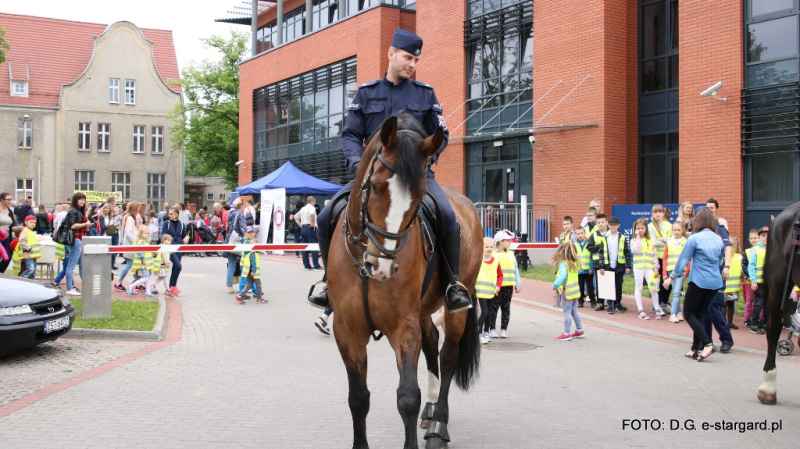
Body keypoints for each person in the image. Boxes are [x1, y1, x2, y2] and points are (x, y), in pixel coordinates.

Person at [307, 29, 472, 314]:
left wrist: (425, 161)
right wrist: (358, 165)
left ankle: (452, 285)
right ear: (391, 54)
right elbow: (349, 135)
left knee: (447, 217)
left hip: (414, 177)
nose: (412, 64)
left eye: (416, 60)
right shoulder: (366, 93)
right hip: (372, 175)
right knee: (325, 217)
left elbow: (440, 135)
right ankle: (327, 282)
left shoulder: (426, 94)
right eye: (408, 57)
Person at [663, 208, 725, 362]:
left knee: (689, 314)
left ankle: (708, 343)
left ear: (697, 221)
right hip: (715, 282)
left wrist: (671, 277)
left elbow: (683, 260)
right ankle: (695, 348)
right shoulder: (718, 239)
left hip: (699, 281)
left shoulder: (694, 238)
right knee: (700, 314)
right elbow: (721, 262)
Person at [592, 216, 630, 314]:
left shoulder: (622, 237)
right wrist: (601, 266)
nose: (613, 227)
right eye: (611, 225)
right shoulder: (605, 238)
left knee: (618, 286)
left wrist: (628, 266)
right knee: (609, 286)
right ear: (608, 225)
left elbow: (626, 252)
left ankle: (617, 303)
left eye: (615, 225)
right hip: (608, 265)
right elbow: (600, 253)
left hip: (619, 266)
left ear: (618, 226)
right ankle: (609, 305)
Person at [488, 230, 521, 339]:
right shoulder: (493, 254)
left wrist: (518, 284)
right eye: (508, 240)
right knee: (494, 307)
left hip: (508, 286)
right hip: (496, 287)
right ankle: (492, 329)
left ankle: (503, 329)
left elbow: (515, 270)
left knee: (506, 308)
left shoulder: (511, 253)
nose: (510, 242)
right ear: (501, 242)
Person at [552, 241, 585, 341]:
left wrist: (555, 285)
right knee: (574, 310)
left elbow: (562, 276)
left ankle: (566, 333)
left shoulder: (563, 264)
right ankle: (579, 329)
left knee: (566, 312)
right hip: (575, 291)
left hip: (567, 291)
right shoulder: (574, 262)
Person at [631, 218, 662, 320]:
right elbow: (636, 250)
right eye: (638, 228)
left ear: (646, 229)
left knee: (652, 287)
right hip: (638, 267)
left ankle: (657, 308)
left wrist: (656, 268)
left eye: (642, 228)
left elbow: (654, 255)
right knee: (639, 287)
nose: (640, 230)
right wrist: (638, 238)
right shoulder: (634, 240)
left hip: (649, 268)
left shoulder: (651, 240)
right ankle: (640, 310)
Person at [63, 193, 92, 296]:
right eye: (81, 199)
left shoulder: (77, 211)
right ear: (76, 200)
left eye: (84, 200)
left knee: (81, 265)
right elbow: (72, 225)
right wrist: (86, 224)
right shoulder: (73, 211)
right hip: (76, 239)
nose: (83, 201)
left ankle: (86, 286)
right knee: (71, 265)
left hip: (79, 239)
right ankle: (69, 288)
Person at [476, 237, 503, 344]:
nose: (489, 249)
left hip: (492, 292)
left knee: (490, 313)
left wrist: (498, 286)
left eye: (491, 247)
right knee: (484, 312)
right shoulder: (479, 261)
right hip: (481, 291)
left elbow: (500, 275)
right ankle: (478, 333)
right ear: (482, 247)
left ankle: (486, 332)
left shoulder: (496, 261)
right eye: (486, 247)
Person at [663, 220, 689, 323]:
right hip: (671, 270)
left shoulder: (685, 242)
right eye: (675, 230)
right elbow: (665, 257)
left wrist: (686, 270)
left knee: (677, 292)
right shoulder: (669, 241)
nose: (676, 232)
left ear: (682, 230)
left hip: (681, 271)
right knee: (676, 292)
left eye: (678, 230)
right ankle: (676, 312)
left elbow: (688, 257)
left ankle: (675, 313)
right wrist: (665, 273)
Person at [649, 204, 673, 312]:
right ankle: (657, 304)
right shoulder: (650, 226)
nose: (658, 214)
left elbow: (674, 239)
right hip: (656, 257)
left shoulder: (669, 225)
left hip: (668, 257)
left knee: (668, 281)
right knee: (657, 281)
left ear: (663, 213)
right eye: (655, 212)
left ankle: (664, 302)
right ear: (652, 214)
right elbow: (654, 242)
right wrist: (666, 241)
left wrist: (663, 239)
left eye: (660, 212)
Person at [113, 202, 141, 292]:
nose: (138, 210)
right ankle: (120, 282)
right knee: (130, 263)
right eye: (138, 209)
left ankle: (136, 282)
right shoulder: (130, 218)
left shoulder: (126, 217)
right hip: (131, 244)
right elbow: (129, 232)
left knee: (132, 263)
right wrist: (136, 241)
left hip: (128, 244)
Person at [162, 206, 189, 296]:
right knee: (178, 266)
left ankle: (171, 287)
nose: (169, 215)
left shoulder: (181, 224)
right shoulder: (166, 223)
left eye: (171, 214)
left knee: (175, 267)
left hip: (179, 247)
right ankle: (173, 286)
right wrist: (168, 245)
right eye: (169, 213)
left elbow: (185, 234)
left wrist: (186, 238)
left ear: (176, 214)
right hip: (170, 248)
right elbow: (163, 235)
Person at [236, 226, 266, 305]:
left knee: (249, 283)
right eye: (249, 232)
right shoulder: (248, 244)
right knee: (255, 283)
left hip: (247, 268)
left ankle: (241, 295)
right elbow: (253, 261)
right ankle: (258, 297)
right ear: (245, 233)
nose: (251, 234)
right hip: (250, 268)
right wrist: (253, 270)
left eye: (252, 232)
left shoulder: (250, 242)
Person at [586, 213, 610, 310]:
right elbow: (589, 247)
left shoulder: (610, 234)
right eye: (598, 222)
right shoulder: (594, 235)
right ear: (596, 224)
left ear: (607, 223)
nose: (601, 224)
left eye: (602, 222)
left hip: (609, 262)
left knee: (609, 282)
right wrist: (600, 246)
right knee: (599, 283)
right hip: (597, 263)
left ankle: (610, 302)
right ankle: (600, 302)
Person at [748, 226, 769, 334]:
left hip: (768, 283)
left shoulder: (772, 248)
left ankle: (764, 323)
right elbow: (751, 266)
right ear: (759, 237)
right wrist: (753, 281)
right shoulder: (756, 249)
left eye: (767, 236)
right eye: (763, 236)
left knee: (767, 304)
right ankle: (754, 324)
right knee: (758, 304)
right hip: (759, 283)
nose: (765, 238)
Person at [223, 198, 247, 294]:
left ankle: (229, 286)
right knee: (246, 263)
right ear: (241, 205)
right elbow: (243, 229)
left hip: (230, 241)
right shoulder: (240, 215)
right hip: (238, 242)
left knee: (231, 265)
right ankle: (245, 285)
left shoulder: (230, 214)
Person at [126, 225, 156, 298]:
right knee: (146, 278)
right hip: (143, 263)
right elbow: (139, 251)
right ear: (141, 234)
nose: (147, 234)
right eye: (145, 233)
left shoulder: (146, 242)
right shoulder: (141, 242)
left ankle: (148, 292)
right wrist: (143, 258)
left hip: (147, 263)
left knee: (147, 277)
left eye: (148, 233)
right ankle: (130, 286)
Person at [573, 227, 596, 308]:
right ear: (575, 235)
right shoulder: (575, 245)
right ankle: (580, 300)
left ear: (585, 233)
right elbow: (573, 257)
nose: (580, 235)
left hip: (588, 270)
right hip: (579, 270)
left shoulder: (589, 244)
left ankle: (593, 300)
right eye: (578, 234)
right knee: (580, 286)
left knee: (590, 286)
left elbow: (592, 257)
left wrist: (591, 268)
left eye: (581, 233)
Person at [723, 237, 743, 330]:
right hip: (724, 287)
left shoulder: (739, 257)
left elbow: (742, 270)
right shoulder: (723, 257)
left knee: (730, 305)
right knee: (724, 304)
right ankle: (722, 322)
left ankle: (730, 322)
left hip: (734, 287)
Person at [298, 196, 322, 271]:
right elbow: (312, 215)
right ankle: (316, 265)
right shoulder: (311, 207)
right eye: (314, 202)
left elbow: (295, 216)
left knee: (304, 247)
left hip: (303, 228)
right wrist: (313, 224)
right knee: (314, 246)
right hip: (310, 228)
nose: (315, 203)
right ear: (312, 201)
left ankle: (306, 265)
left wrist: (300, 225)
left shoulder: (303, 208)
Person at [743, 229, 759, 327]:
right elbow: (744, 265)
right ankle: (747, 318)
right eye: (751, 238)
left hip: (761, 280)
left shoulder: (763, 250)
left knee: (760, 301)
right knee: (749, 300)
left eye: (755, 238)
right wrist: (750, 275)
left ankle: (759, 319)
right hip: (750, 281)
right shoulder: (747, 252)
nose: (753, 240)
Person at [0, 193, 17, 273]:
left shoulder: (9, 211)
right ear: (2, 200)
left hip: (6, 238)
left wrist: (16, 228)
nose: (10, 201)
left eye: (11, 199)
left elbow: (13, 223)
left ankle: (1, 273)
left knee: (7, 257)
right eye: (8, 200)